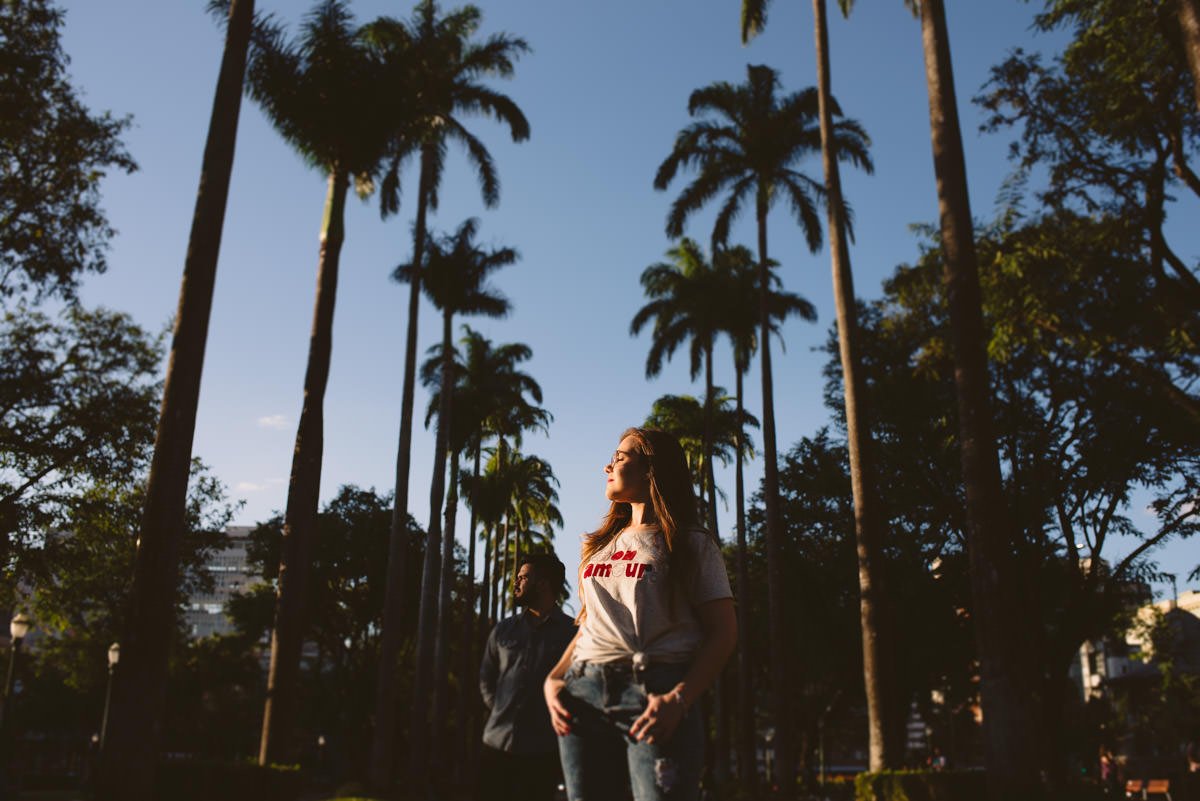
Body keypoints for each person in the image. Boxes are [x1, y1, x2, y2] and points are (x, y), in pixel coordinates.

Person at [543, 427, 737, 801]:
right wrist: (554, 679)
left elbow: (724, 633)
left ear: (651, 468)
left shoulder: (691, 543)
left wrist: (679, 698)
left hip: (654, 691)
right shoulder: (599, 546)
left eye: (619, 457)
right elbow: (589, 625)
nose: (607, 466)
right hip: (583, 692)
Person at [479, 551, 577, 801]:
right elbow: (487, 678)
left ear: (543, 583)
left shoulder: (572, 634)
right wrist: (501, 708)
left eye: (523, 577)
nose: (516, 582)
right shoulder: (503, 630)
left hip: (544, 752)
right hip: (496, 745)